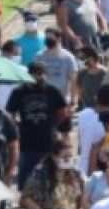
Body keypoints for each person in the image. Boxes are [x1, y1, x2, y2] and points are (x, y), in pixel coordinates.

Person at [7, 62, 69, 191]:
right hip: (26, 139)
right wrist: (16, 126)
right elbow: (10, 113)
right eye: (35, 74)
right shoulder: (19, 91)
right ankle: (25, 198)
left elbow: (63, 112)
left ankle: (47, 197)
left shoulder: (52, 90)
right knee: (26, 173)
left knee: (49, 172)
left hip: (48, 140)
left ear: (45, 74)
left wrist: (52, 124)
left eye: (41, 74)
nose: (38, 77)